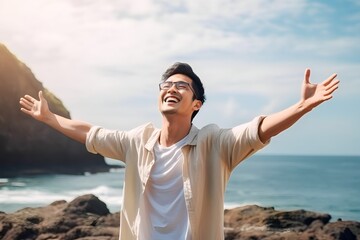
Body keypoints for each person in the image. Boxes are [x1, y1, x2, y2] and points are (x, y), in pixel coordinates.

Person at [19, 62, 339, 240]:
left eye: (182, 85)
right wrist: (49, 118)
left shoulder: (215, 144)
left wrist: (302, 107)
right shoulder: (137, 142)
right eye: (167, 85)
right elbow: (91, 133)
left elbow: (260, 128)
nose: (172, 88)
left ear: (196, 104)